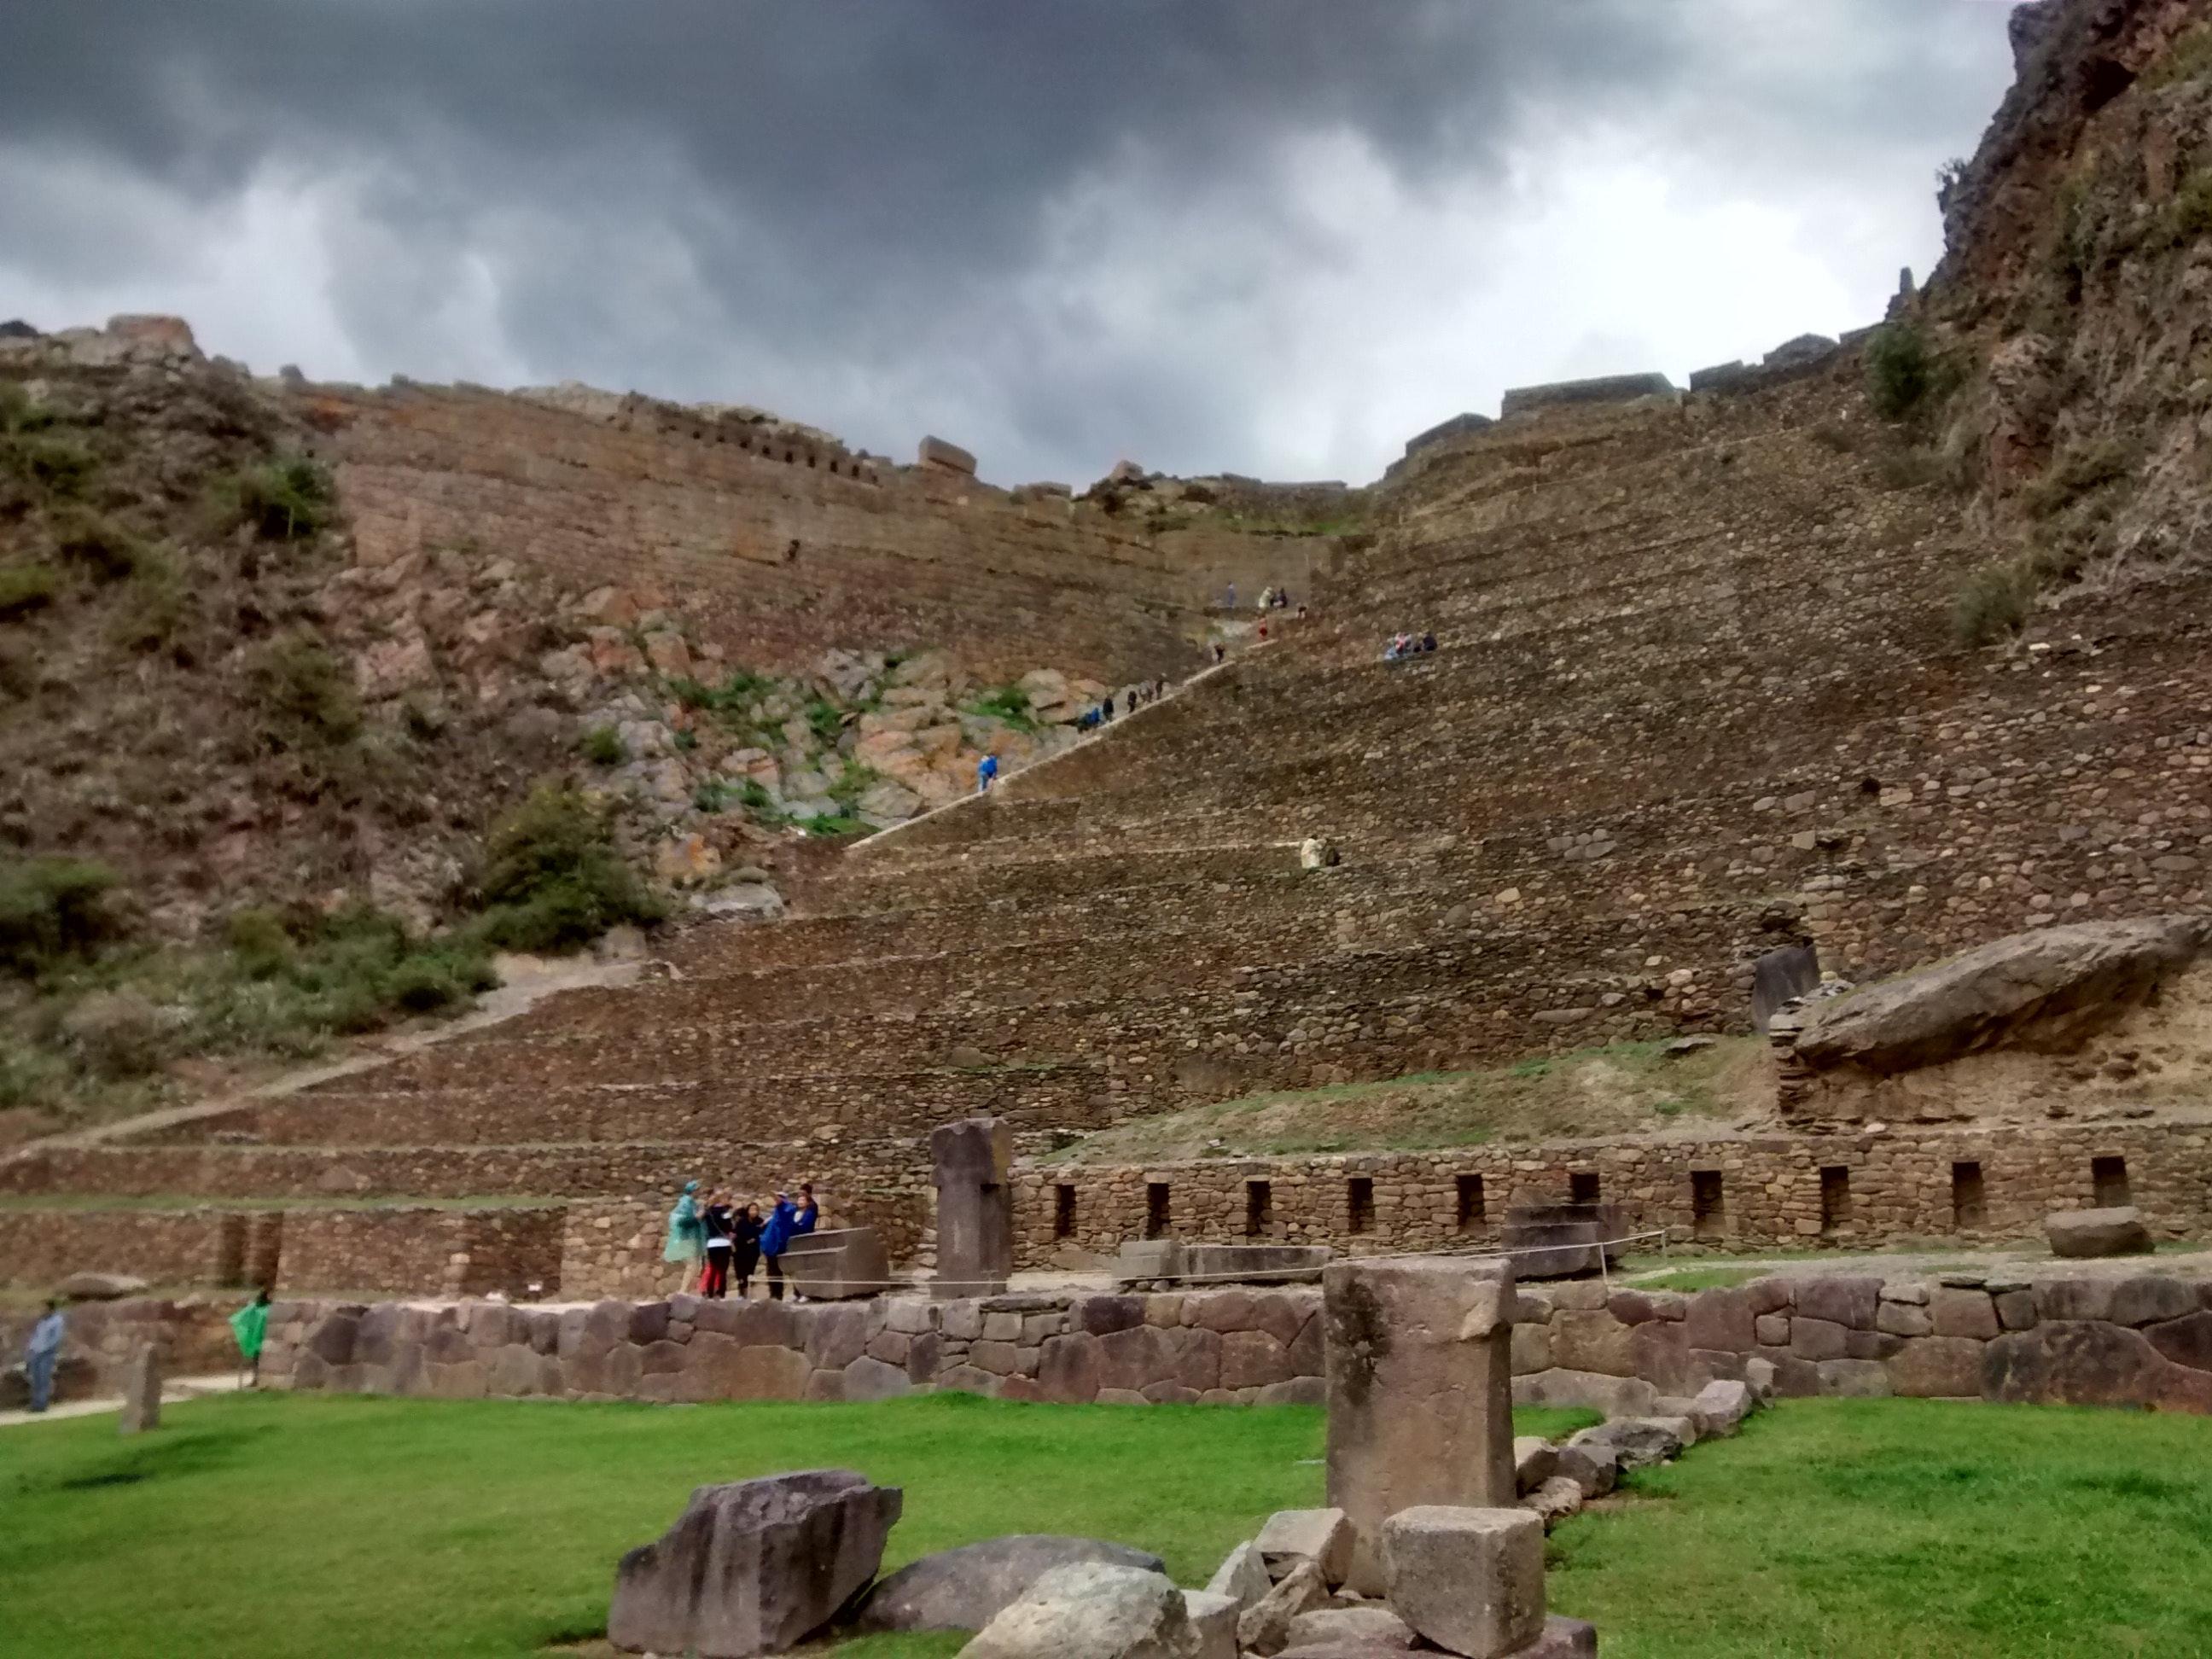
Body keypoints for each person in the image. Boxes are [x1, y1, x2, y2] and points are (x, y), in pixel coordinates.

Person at [20, 1298, 64, 1413]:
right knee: (35, 1379)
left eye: (44, 1307)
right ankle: (35, 1403)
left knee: (43, 1379)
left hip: (46, 1354)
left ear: (50, 1308)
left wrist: (45, 1349)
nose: (42, 1310)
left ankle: (42, 1404)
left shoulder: (57, 1321)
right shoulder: (42, 1321)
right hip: (36, 1352)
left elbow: (56, 1338)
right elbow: (36, 1336)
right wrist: (31, 1348)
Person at [662, 1180, 704, 1291]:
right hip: (687, 1238)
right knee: (692, 1265)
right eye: (698, 1189)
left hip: (691, 1237)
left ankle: (686, 1290)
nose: (700, 1191)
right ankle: (683, 1290)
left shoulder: (692, 1203)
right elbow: (681, 1221)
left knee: (694, 1266)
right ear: (693, 1191)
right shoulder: (685, 1204)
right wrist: (697, 1217)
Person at [229, 1288, 271, 1388]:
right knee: (257, 1360)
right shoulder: (259, 1308)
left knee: (258, 1360)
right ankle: (257, 1380)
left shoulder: (259, 1309)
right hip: (259, 1338)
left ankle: (258, 1380)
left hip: (258, 1339)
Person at [760, 1189, 798, 1301]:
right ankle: (775, 1295)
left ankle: (777, 1295)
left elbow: (779, 1201)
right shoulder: (778, 1212)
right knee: (772, 1271)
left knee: (775, 1271)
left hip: (777, 1244)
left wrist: (771, 1193)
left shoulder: (787, 1208)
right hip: (772, 1244)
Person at [700, 1190, 736, 1299]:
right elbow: (729, 1227)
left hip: (712, 1244)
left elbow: (699, 1218)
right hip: (724, 1243)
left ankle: (710, 1292)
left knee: (713, 1269)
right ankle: (721, 1293)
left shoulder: (708, 1212)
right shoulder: (726, 1212)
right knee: (723, 1271)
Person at [733, 1202, 764, 1299]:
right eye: (751, 1209)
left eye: (756, 1209)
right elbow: (738, 1234)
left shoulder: (760, 1221)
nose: (753, 1212)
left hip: (753, 1251)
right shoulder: (742, 1222)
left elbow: (760, 1234)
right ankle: (741, 1293)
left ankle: (749, 1293)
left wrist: (754, 1238)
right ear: (748, 1210)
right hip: (741, 1251)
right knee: (741, 1273)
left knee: (750, 1272)